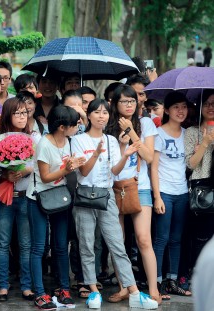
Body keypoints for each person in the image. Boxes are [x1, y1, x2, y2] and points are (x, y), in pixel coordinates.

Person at [71, 99, 158, 309]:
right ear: (89, 116)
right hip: (85, 195)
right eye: (97, 112)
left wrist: (125, 152)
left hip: (107, 194)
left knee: (117, 244)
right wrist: (95, 153)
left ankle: (134, 292)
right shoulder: (78, 139)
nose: (102, 116)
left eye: (105, 113)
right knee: (87, 244)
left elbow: (115, 171)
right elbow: (83, 172)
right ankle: (93, 291)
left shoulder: (111, 139)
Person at [105, 84, 161, 303]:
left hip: (140, 186)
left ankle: (154, 289)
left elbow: (148, 157)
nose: (129, 105)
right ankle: (125, 287)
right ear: (115, 104)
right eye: (124, 101)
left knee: (143, 239)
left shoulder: (145, 122)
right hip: (115, 187)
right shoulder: (108, 126)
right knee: (117, 241)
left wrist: (131, 130)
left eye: (132, 101)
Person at [26, 105, 84, 309]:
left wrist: (75, 164)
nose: (77, 127)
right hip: (38, 198)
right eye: (74, 125)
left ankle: (64, 289)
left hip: (60, 198)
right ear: (61, 127)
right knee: (39, 247)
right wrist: (66, 169)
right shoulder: (44, 144)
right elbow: (45, 177)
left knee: (61, 245)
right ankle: (40, 294)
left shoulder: (68, 141)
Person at [151, 91, 192, 297]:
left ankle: (172, 280)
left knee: (176, 239)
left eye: (184, 106)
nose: (180, 111)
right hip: (164, 192)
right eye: (176, 107)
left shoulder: (188, 134)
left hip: (182, 192)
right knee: (162, 239)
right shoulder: (159, 134)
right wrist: (157, 196)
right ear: (166, 110)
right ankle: (156, 283)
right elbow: (154, 166)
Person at [0, 97, 34, 303]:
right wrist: (5, 175)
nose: (21, 117)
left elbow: (38, 164)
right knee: (2, 243)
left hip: (26, 197)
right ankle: (3, 285)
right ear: (8, 115)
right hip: (5, 197)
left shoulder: (33, 137)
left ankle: (27, 286)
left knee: (26, 244)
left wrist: (24, 169)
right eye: (17, 113)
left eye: (24, 113)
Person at [184, 90, 214, 267]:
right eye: (207, 103)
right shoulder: (192, 132)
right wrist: (204, 144)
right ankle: (196, 275)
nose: (211, 107)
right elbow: (191, 164)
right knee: (201, 236)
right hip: (201, 188)